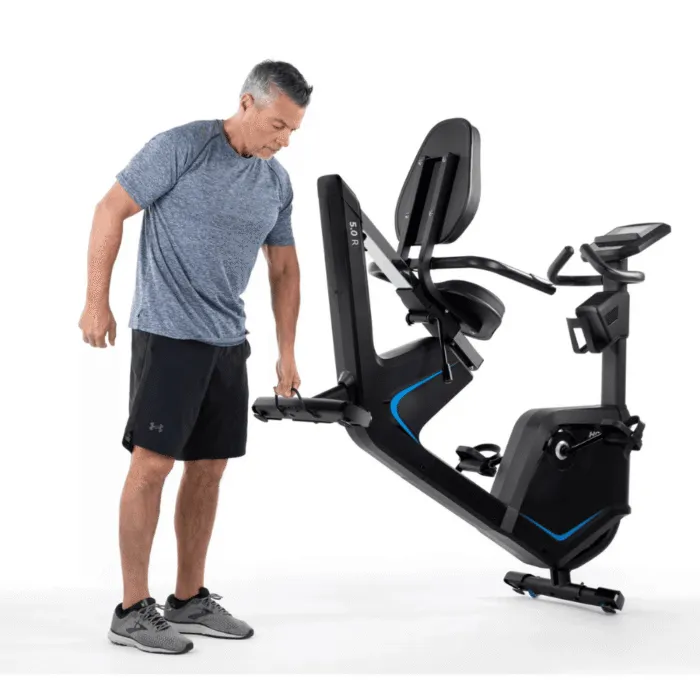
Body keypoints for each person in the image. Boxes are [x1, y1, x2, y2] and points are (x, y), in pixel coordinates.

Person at [78, 60, 312, 654]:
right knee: (152, 466)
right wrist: (96, 302)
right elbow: (110, 209)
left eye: (293, 131)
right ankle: (132, 609)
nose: (285, 140)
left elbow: (284, 268)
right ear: (247, 103)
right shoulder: (182, 147)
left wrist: (287, 351)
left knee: (209, 468)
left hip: (227, 341)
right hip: (168, 334)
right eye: (279, 125)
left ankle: (188, 599)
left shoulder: (276, 182)